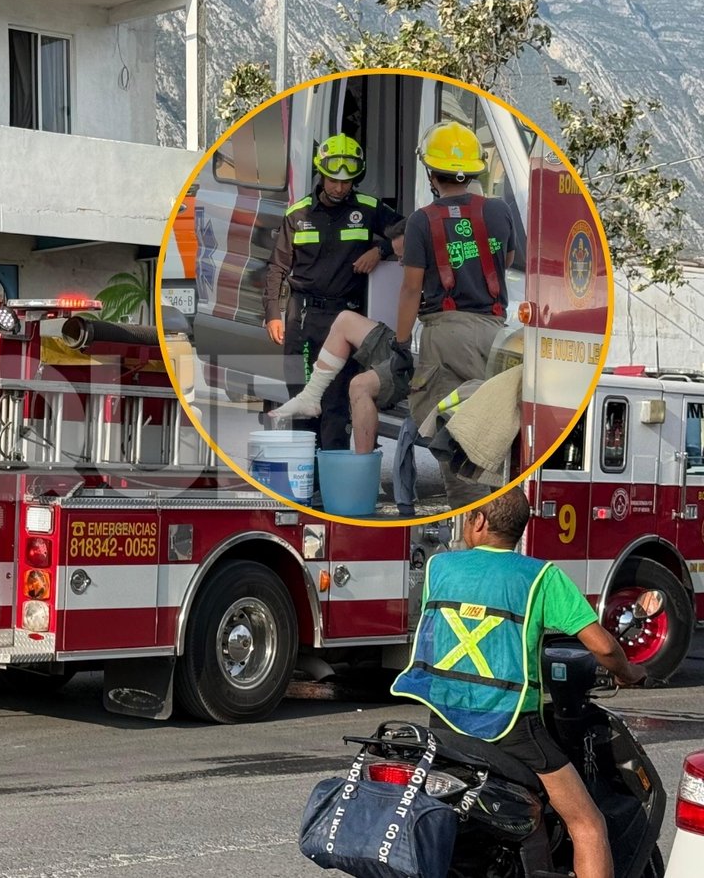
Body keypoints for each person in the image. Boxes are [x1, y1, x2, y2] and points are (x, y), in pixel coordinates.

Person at [392, 487, 646, 878]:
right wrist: (626, 673)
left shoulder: (440, 568)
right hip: (510, 729)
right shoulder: (542, 578)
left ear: (478, 522)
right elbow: (603, 646)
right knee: (589, 824)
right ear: (521, 530)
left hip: (444, 725)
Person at [396, 121, 519, 509]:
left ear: (431, 174)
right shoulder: (498, 211)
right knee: (490, 426)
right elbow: (507, 259)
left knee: (451, 431)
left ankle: (468, 517)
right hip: (495, 336)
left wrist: (400, 343)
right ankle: (496, 510)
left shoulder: (421, 221)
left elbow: (412, 287)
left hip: (445, 336)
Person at [264, 134, 403, 452]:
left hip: (344, 321)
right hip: (302, 320)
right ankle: (305, 487)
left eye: (347, 182)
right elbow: (277, 268)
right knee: (301, 405)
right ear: (321, 174)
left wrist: (380, 250)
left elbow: (411, 230)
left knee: (336, 408)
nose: (339, 188)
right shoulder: (298, 215)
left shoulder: (369, 210)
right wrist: (273, 313)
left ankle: (330, 490)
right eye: (333, 180)